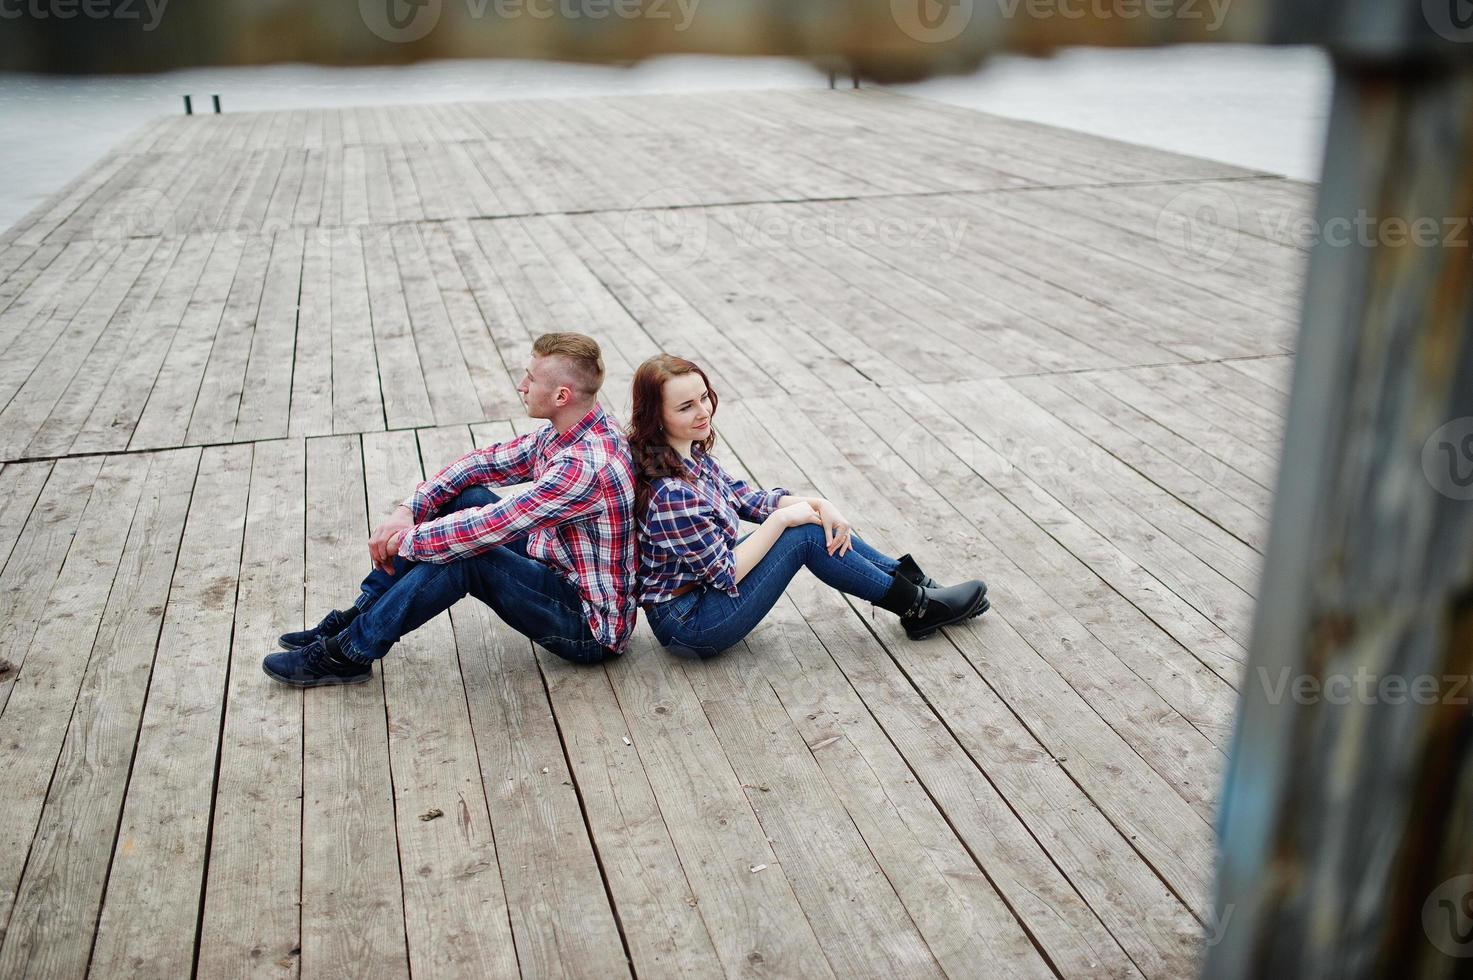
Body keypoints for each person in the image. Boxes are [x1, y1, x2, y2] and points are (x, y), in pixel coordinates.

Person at [263, 332, 637, 687]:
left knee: (466, 556)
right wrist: (409, 509)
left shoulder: (585, 467)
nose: (521, 386)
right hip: (556, 564)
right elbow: (483, 463)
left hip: (588, 626)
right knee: (463, 496)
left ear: (561, 395)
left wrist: (403, 541)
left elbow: (490, 527)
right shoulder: (571, 428)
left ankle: (347, 652)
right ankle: (358, 615)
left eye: (530, 379)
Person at [629, 354, 989, 661]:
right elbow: (725, 573)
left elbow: (748, 500)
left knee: (809, 522)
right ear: (657, 416)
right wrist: (785, 517)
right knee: (803, 535)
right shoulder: (670, 493)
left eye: (704, 397)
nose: (703, 411)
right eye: (686, 406)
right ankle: (918, 606)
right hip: (690, 623)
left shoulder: (686, 455)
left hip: (704, 590)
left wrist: (819, 502)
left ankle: (916, 588)